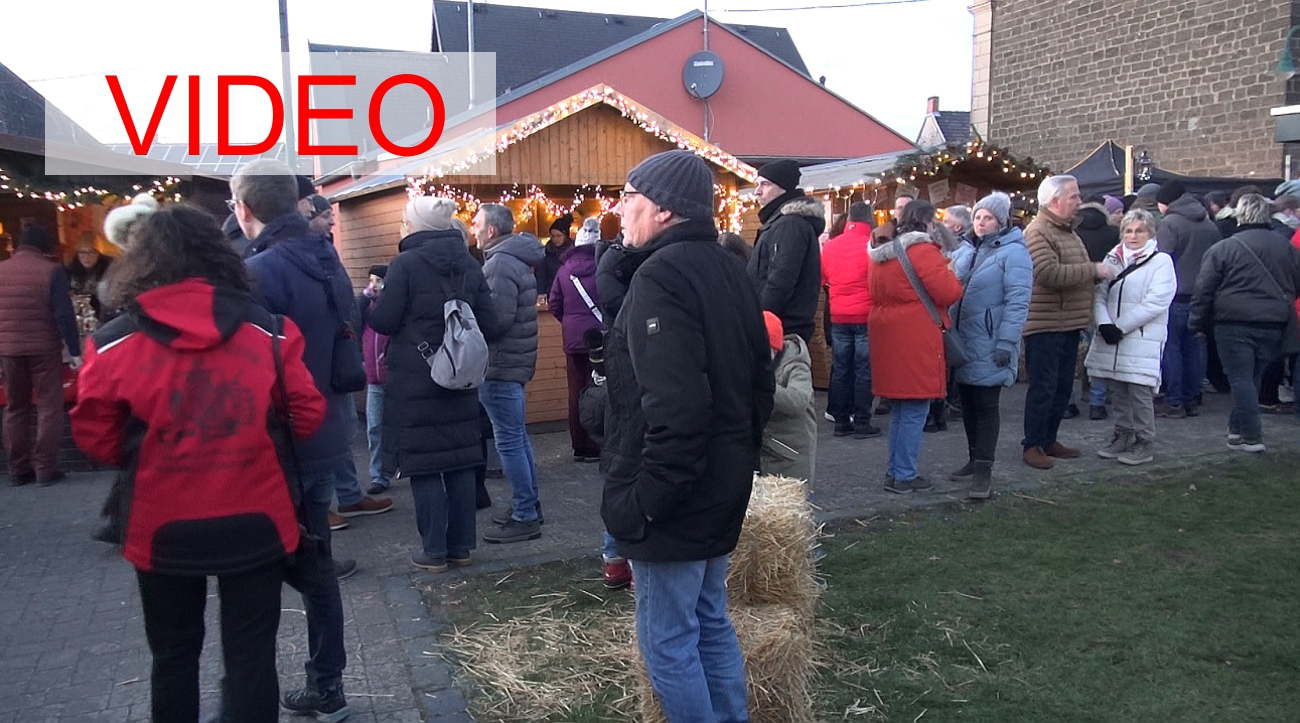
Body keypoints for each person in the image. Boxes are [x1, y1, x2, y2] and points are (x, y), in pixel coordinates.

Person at [70, 204, 327, 723]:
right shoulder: (269, 332)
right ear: (219, 255)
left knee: (172, 656)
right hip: (257, 515)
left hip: (161, 523)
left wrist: (152, 449)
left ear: (139, 262)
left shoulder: (112, 343)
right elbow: (305, 415)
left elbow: (95, 436)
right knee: (252, 658)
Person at [602, 149, 774, 722]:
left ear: (665, 209)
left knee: (670, 638)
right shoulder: (727, 265)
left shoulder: (663, 275)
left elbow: (677, 407)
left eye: (629, 197)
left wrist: (650, 498)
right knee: (707, 619)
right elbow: (760, 385)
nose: (620, 209)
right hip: (720, 479)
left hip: (678, 491)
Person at [233, 159, 358, 720]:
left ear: (244, 209)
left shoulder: (260, 271)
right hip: (326, 428)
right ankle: (328, 686)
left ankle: (263, 696)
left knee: (263, 570)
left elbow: (251, 366)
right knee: (317, 566)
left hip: (280, 441)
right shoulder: (327, 258)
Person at [368, 198, 498, 571]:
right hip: (460, 376)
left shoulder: (405, 264)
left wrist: (375, 302)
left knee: (424, 464)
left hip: (416, 378)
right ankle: (461, 547)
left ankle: (434, 551)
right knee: (459, 461)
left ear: (417, 225)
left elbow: (385, 321)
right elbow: (490, 322)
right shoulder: (470, 263)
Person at [1191, 194, 1300, 453]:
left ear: (1240, 214)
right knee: (1253, 377)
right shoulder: (1287, 247)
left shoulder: (1224, 248)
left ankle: (1252, 435)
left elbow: (1204, 289)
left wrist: (1196, 322)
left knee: (1240, 378)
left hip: (1233, 321)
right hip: (1274, 321)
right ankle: (1237, 429)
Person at [868, 200, 963, 493]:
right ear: (927, 222)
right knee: (915, 408)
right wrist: (949, 270)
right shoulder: (922, 251)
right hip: (916, 335)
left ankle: (895, 470)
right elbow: (949, 292)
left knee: (901, 408)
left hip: (889, 334)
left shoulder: (882, 252)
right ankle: (905, 474)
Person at [1021, 175, 1115, 470]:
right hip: (1046, 324)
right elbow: (1047, 273)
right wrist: (1093, 270)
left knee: (1062, 387)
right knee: (1044, 387)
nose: (1079, 201)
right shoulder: (1038, 232)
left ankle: (1049, 439)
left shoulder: (1068, 232)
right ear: (1055, 201)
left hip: (1068, 322)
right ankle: (1032, 444)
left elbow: (1070, 269)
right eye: (1073, 196)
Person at [948, 192, 1032, 499]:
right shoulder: (967, 251)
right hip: (964, 340)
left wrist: (1007, 342)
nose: (981, 223)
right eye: (978, 217)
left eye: (988, 218)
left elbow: (1017, 302)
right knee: (968, 404)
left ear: (1001, 222)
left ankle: (984, 468)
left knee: (986, 405)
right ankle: (974, 459)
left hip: (991, 339)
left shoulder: (1015, 254)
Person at [472, 202, 546, 544]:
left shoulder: (499, 263)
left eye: (476, 223)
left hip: (501, 363)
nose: (472, 229)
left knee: (510, 440)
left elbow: (498, 320)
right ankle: (528, 504)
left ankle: (525, 513)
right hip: (514, 361)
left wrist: (473, 319)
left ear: (491, 230)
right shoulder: (515, 257)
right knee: (517, 437)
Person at [1086, 209, 1177, 466]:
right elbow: (1100, 293)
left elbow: (1156, 301)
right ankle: (1123, 434)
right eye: (1128, 230)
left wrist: (1121, 326)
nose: (1133, 236)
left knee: (1139, 391)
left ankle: (1144, 441)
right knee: (1117, 389)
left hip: (1140, 336)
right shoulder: (1113, 258)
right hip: (1111, 337)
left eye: (1139, 231)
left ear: (1150, 233)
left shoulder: (1161, 262)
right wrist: (1104, 323)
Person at [0, 225, 81, 487]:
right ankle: (45, 468)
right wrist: (75, 351)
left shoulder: (1, 270)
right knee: (48, 407)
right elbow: (64, 315)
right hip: (44, 349)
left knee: (16, 408)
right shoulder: (51, 271)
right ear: (43, 246)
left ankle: (17, 470)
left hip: (9, 349)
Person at [1154, 180, 1221, 419]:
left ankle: (1174, 401)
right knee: (1195, 348)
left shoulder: (1170, 223)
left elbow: (1162, 259)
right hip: (1203, 296)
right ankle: (1192, 397)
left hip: (1175, 294)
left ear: (1165, 202)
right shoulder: (1209, 223)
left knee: (1171, 348)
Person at [820, 201, 881, 438]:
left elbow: (824, 279)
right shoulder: (872, 246)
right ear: (870, 220)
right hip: (865, 315)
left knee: (841, 368)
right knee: (863, 369)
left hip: (838, 315)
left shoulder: (830, 246)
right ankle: (862, 421)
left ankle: (841, 421)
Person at [747, 159, 824, 343]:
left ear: (784, 187)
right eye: (757, 184)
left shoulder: (789, 225)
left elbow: (780, 280)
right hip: (777, 327)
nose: (757, 191)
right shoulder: (780, 223)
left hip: (781, 330)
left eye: (765, 184)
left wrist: (757, 321)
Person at [549, 216, 604, 462]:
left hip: (572, 339)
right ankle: (595, 443)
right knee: (599, 388)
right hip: (600, 337)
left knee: (575, 391)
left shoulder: (564, 271)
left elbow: (554, 304)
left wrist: (569, 323)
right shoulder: (604, 267)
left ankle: (578, 445)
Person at [1075, 195, 1121, 420]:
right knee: (1099, 348)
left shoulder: (1072, 233)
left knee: (1071, 352)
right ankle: (1097, 402)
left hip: (1073, 295)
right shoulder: (1113, 233)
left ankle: (1067, 403)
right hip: (1103, 294)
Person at [760, 311, 817, 482]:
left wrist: (763, 389)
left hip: (790, 453)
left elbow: (799, 400)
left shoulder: (795, 363)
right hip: (767, 449)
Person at [359, 264, 392, 495]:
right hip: (374, 380)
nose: (374, 286)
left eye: (378, 281)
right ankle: (378, 475)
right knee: (374, 428)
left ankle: (401, 467)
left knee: (400, 427)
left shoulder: (392, 307)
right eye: (371, 281)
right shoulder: (365, 307)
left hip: (395, 378)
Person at [67, 243, 113, 323]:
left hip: (102, 316)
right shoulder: (70, 273)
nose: (87, 256)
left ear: (99, 254)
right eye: (82, 252)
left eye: (91, 252)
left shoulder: (108, 272)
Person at [537, 213, 573, 300]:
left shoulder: (573, 252)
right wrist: (541, 293)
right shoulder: (546, 252)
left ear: (565, 236)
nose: (555, 239)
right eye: (553, 236)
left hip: (570, 293)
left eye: (559, 236)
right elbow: (541, 276)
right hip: (552, 294)